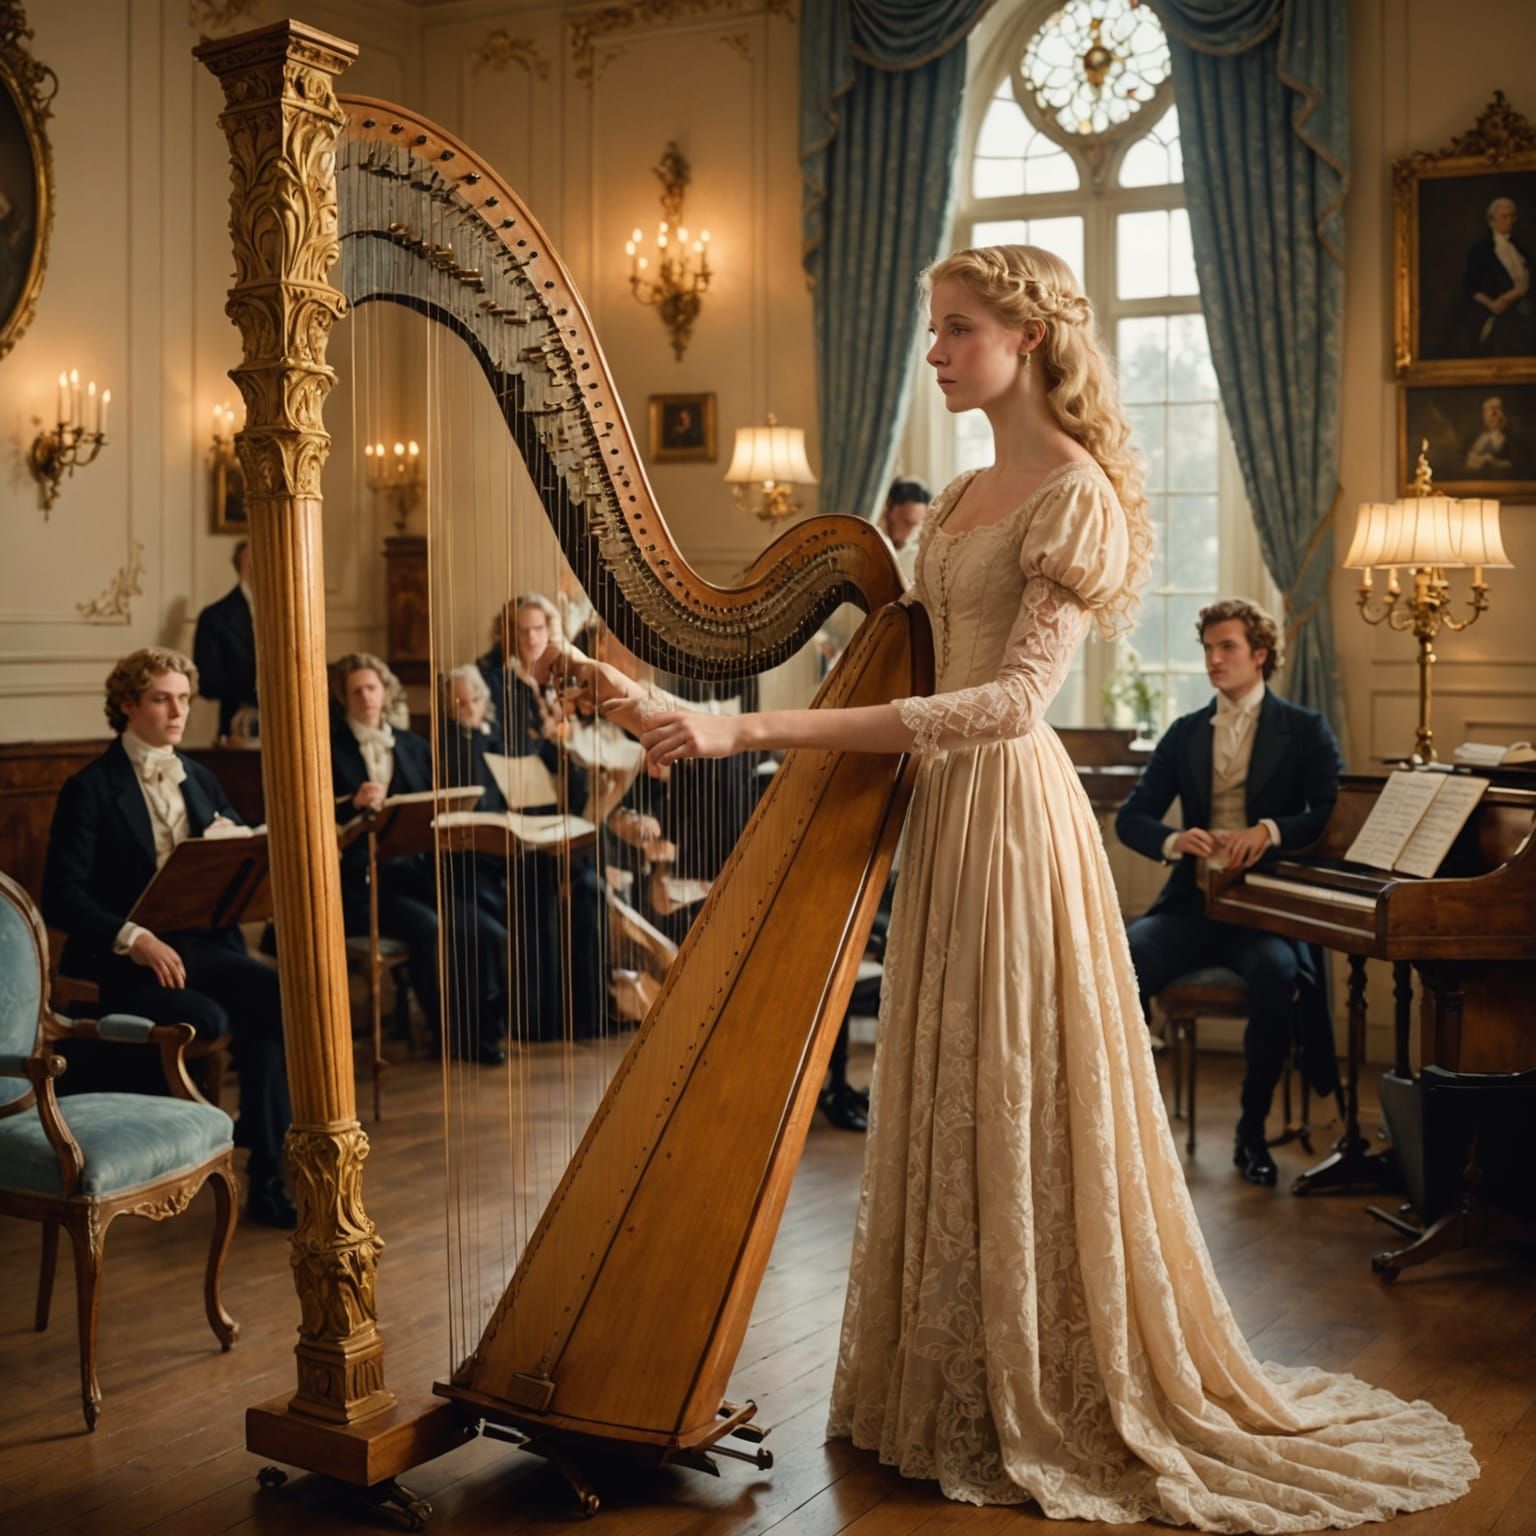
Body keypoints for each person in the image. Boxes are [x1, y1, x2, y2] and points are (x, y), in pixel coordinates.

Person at [542, 245, 1476, 1526]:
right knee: (952, 1077)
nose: (933, 351)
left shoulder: (1072, 493)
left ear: (1027, 339)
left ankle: (1048, 1378)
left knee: (1020, 1082)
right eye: (930, 328)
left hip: (1009, 813)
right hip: (942, 819)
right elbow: (887, 665)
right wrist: (679, 702)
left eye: (954, 328)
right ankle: (958, 1374)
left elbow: (1005, 703)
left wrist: (746, 735)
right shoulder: (970, 491)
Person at [41, 647, 294, 1227]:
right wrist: (135, 937)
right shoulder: (90, 788)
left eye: (183, 698)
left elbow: (233, 846)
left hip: (206, 946)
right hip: (127, 961)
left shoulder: (199, 776)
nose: (178, 711)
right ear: (128, 705)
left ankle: (264, 1164)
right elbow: (62, 895)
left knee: (276, 999)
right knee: (219, 1013)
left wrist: (235, 844)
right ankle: (259, 1164)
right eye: (162, 699)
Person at [1115, 599, 1343, 1187]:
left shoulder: (1305, 729)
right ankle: (1135, 1127)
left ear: (1259, 654)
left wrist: (1268, 832)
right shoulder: (1186, 732)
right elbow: (1132, 819)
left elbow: (1329, 814)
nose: (1214, 660)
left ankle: (1250, 1131)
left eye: (1228, 648)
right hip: (1192, 908)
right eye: (1208, 649)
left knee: (1274, 974)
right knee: (1124, 957)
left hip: (1264, 912)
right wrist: (1173, 840)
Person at [330, 652, 508, 1063]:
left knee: (487, 930)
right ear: (344, 697)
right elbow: (316, 814)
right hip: (366, 885)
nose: (366, 697)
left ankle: (483, 1031)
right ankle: (445, 1035)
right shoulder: (329, 747)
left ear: (384, 690)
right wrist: (351, 803)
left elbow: (431, 805)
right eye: (356, 690)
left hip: (418, 874)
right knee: (430, 928)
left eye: (371, 688)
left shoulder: (412, 744)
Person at [193, 540, 258, 741]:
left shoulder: (292, 614)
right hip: (237, 729)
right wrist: (256, 681)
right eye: (252, 560)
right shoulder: (214, 617)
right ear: (241, 566)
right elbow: (207, 684)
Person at [1463, 195, 1534, 355]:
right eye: (1504, 217)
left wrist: (1516, 294)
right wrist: (1492, 304)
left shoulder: (1520, 250)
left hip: (1522, 315)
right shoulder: (1481, 250)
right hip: (1494, 316)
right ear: (1492, 220)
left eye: (1512, 216)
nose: (1510, 221)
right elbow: (1471, 286)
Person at [876, 477, 932, 588]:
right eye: (906, 522)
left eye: (916, 525)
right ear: (889, 510)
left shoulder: (920, 557)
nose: (911, 531)